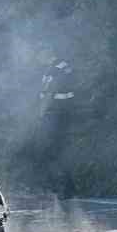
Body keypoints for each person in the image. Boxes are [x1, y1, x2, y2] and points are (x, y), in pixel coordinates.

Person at [35, 58, 78, 200]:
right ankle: (66, 187)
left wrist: (40, 114)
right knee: (58, 151)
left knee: (54, 151)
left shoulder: (56, 68)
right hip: (63, 114)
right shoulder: (62, 66)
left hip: (55, 115)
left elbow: (49, 93)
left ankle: (63, 188)